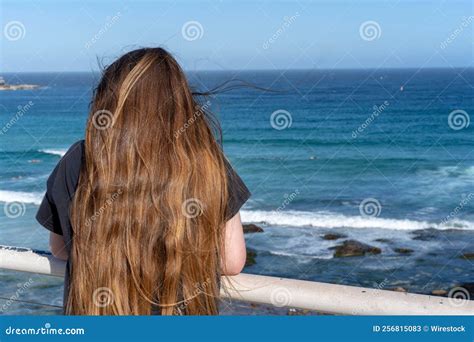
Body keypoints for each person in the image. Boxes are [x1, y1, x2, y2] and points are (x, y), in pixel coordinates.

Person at [36, 47, 250, 315]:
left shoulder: (78, 159)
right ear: (180, 104)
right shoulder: (206, 161)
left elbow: (60, 248)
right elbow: (231, 261)